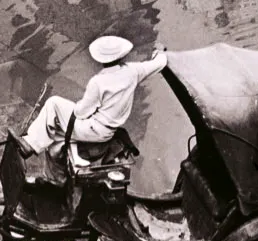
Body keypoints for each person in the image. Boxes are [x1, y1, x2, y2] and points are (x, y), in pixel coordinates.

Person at [11, 36, 169, 167]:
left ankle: (30, 144)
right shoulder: (134, 72)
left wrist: (80, 106)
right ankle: (74, 157)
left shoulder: (99, 81)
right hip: (109, 130)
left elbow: (81, 112)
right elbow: (160, 63)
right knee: (59, 124)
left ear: (102, 60)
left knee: (53, 104)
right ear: (121, 56)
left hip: (93, 130)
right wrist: (159, 52)